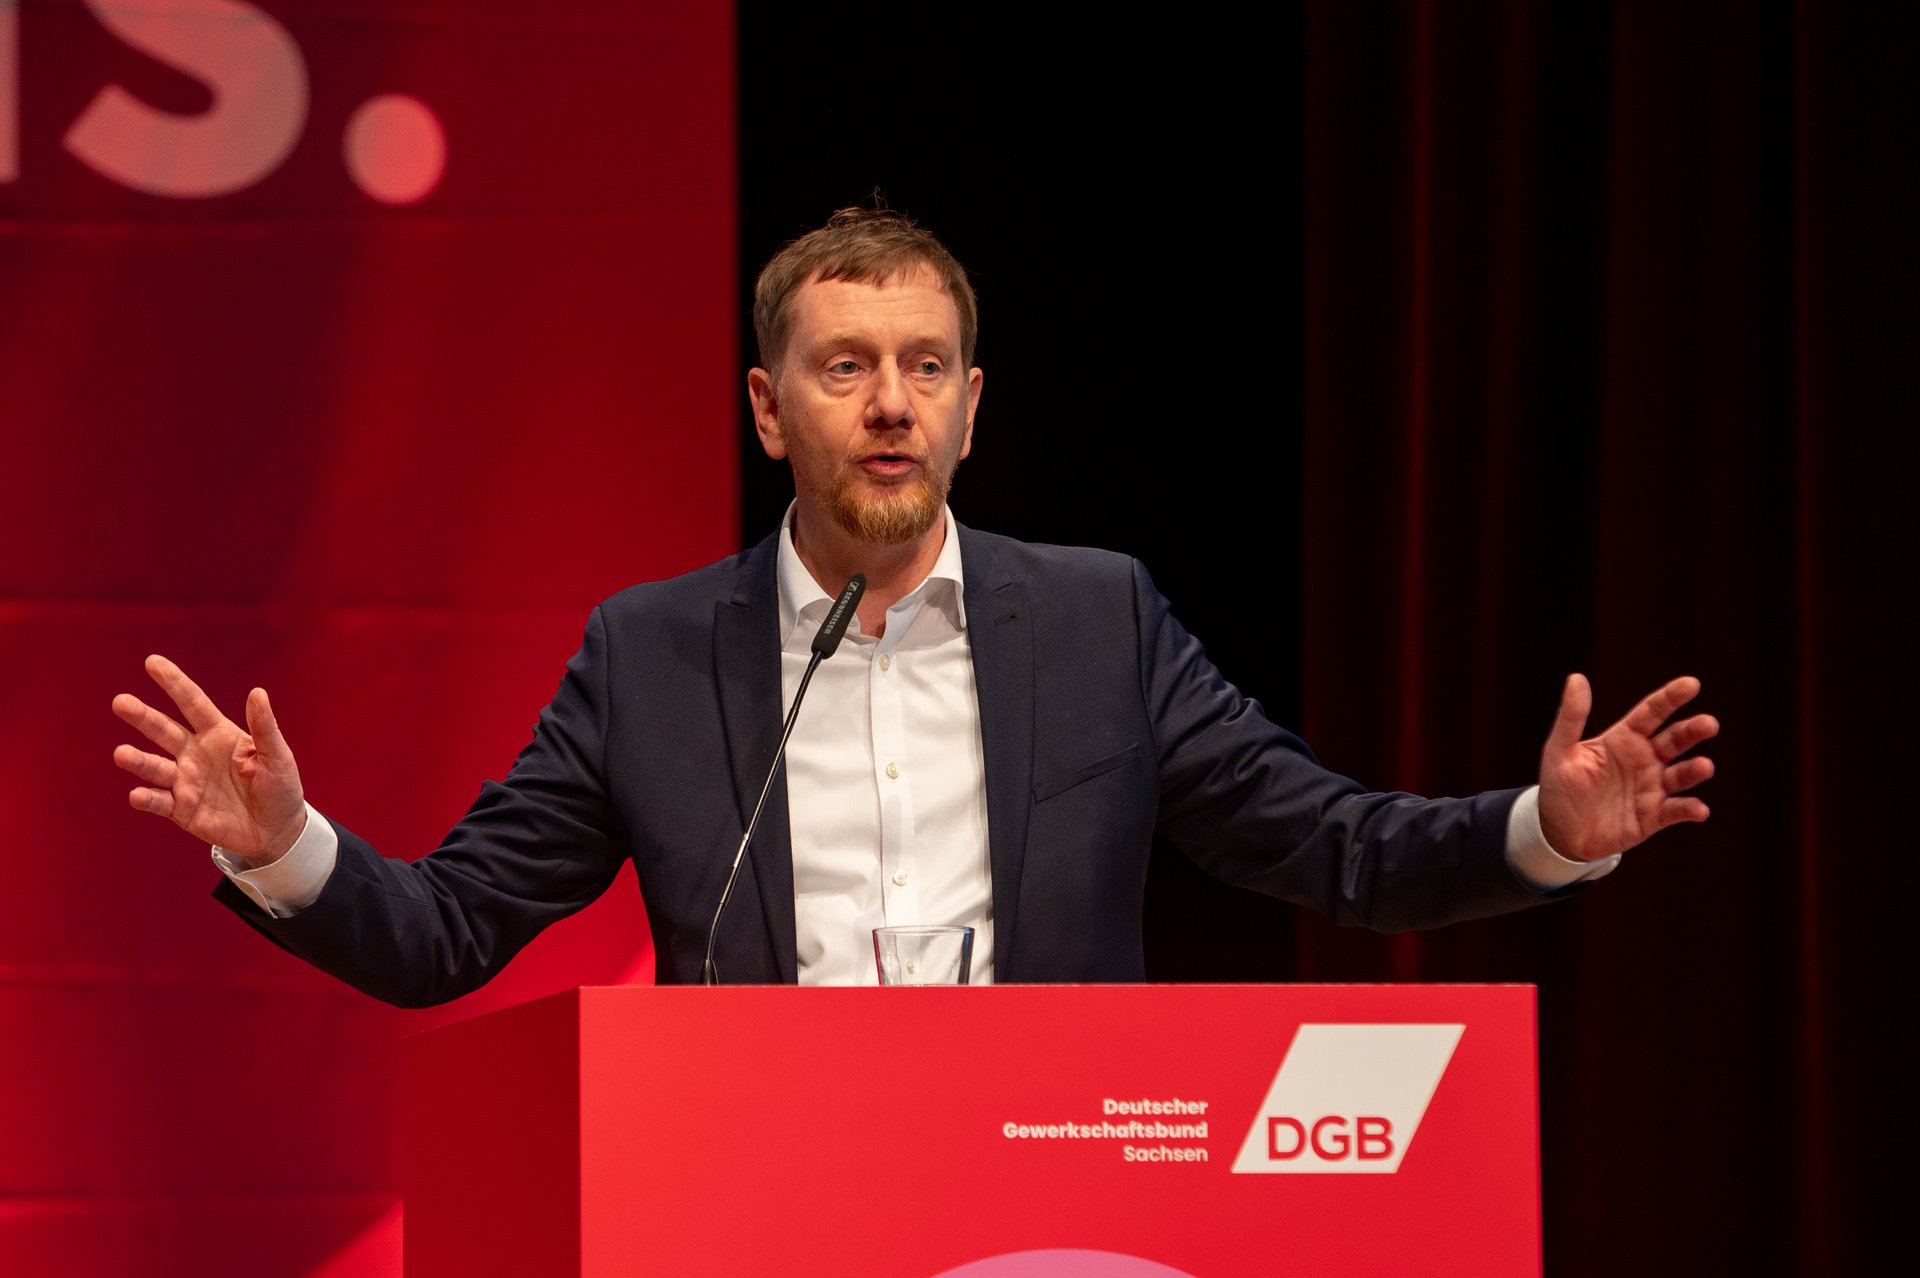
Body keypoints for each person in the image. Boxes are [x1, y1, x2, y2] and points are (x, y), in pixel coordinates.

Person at [110, 208, 1718, 1003]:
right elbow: (453, 931)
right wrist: (286, 845)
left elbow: (1338, 851)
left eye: (925, 366)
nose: (890, 401)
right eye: (845, 366)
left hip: (1049, 1205)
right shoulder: (649, 652)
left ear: (970, 407)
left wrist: (1546, 829)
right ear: (767, 407)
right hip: (752, 1207)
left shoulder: (1100, 624)